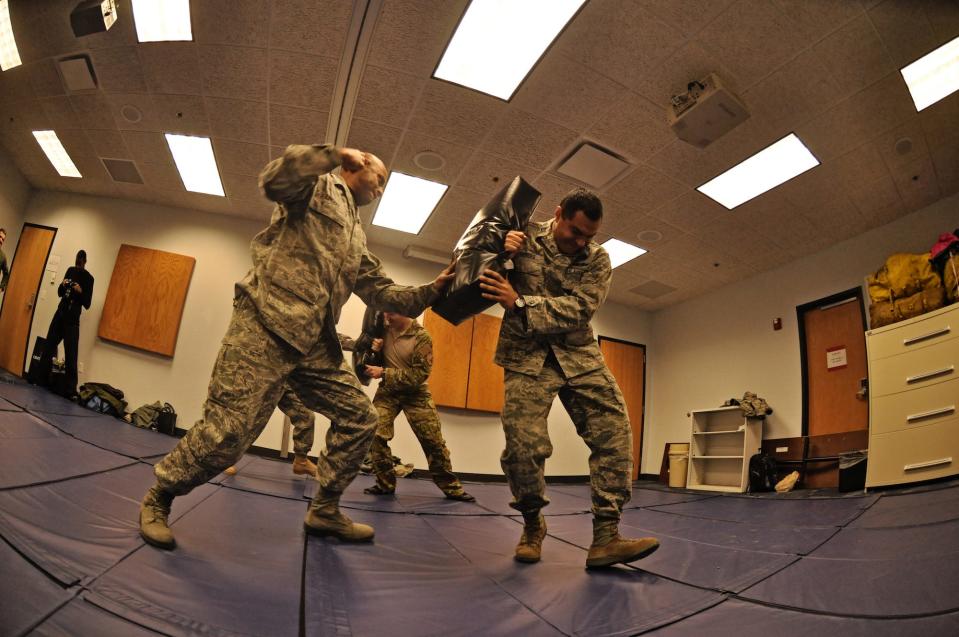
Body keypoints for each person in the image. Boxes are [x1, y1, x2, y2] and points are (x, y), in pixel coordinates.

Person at [138, 144, 453, 550]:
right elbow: (275, 179)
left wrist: (435, 289)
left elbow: (384, 292)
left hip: (314, 343)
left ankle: (324, 510)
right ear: (359, 165)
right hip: (265, 325)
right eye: (381, 175)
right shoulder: (317, 186)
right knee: (229, 433)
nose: (382, 186)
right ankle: (159, 496)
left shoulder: (356, 235)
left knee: (360, 418)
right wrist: (332, 154)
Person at [478, 188, 660, 569]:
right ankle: (532, 525)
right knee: (523, 448)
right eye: (574, 232)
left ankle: (606, 538)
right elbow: (474, 276)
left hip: (579, 355)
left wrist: (521, 302)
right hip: (526, 356)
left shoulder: (598, 259)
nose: (580, 242)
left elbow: (580, 309)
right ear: (558, 214)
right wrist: (499, 252)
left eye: (587, 236)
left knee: (615, 434)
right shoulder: (521, 235)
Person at [363, 312, 474, 501]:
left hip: (416, 393)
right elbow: (370, 361)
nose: (386, 315)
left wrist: (384, 373)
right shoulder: (383, 329)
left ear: (405, 310)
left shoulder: (422, 337)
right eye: (385, 311)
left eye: (391, 312)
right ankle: (385, 484)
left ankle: (452, 488)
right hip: (388, 391)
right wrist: (375, 350)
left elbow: (419, 375)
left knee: (433, 442)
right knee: (375, 433)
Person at [39, 250, 94, 398]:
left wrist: (80, 291)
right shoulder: (70, 270)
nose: (79, 262)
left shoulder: (89, 279)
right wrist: (63, 284)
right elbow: (59, 292)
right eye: (78, 259)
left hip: (72, 319)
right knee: (49, 345)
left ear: (85, 261)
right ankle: (40, 378)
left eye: (81, 260)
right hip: (61, 313)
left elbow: (87, 303)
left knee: (71, 354)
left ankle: (70, 390)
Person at [0, 228, 10, 293]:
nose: (1, 240)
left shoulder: (3, 256)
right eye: (0, 237)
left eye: (3, 239)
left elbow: (6, 274)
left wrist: (1, 287)